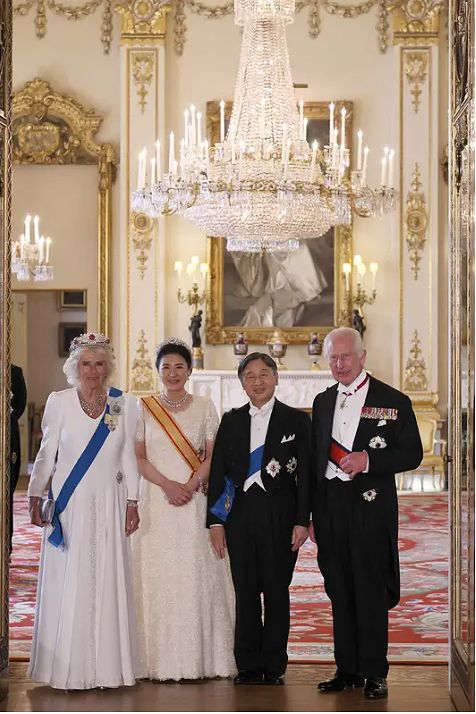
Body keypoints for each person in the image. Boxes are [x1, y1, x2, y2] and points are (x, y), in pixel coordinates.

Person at [311, 327, 423, 699]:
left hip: (371, 508)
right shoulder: (323, 401)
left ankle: (375, 672)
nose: (339, 364)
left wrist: (370, 460)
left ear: (362, 356)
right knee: (339, 587)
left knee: (370, 589)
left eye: (345, 356)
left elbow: (412, 453)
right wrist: (312, 514)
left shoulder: (393, 400)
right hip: (331, 508)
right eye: (333, 357)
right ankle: (347, 670)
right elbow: (315, 460)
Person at [27, 333, 140, 690]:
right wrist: (34, 493)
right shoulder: (59, 402)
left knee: (106, 575)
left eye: (99, 364)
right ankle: (67, 669)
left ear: (108, 367)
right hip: (69, 502)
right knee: (70, 576)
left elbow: (127, 455)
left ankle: (106, 669)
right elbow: (47, 453)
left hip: (109, 500)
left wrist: (133, 500)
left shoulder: (122, 403)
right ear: (75, 367)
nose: (92, 371)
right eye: (86, 363)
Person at [132, 338, 236, 681]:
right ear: (158, 371)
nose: (173, 373)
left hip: (193, 501)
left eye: (180, 367)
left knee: (194, 571)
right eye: (166, 367)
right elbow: (139, 458)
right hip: (157, 499)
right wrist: (167, 485)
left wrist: (189, 486)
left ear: (190, 371)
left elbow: (213, 456)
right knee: (157, 572)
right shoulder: (143, 407)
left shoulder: (205, 406)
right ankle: (152, 659)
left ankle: (201, 659)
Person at [207, 352, 312, 685]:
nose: (258, 381)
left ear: (276, 377)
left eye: (264, 374)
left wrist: (302, 520)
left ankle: (274, 664)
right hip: (239, 517)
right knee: (246, 590)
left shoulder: (297, 421)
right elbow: (219, 473)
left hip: (280, 516)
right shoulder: (231, 420)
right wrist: (215, 522)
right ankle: (248, 663)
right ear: (242, 383)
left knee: (277, 591)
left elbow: (307, 476)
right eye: (250, 376)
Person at [10, 363, 27, 553]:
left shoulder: (14, 372)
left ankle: (5, 547)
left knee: (6, 496)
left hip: (9, 439)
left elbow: (19, 407)